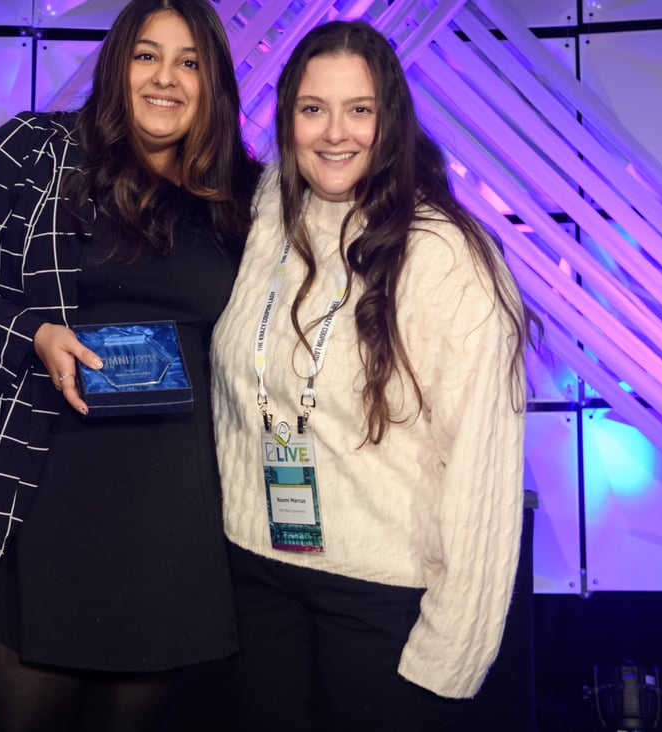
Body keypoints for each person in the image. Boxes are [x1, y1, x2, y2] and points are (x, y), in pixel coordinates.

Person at [0, 0, 261, 729]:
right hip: (34, 499)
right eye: (146, 55)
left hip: (174, 521)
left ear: (214, 81)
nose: (166, 78)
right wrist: (29, 334)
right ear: (116, 64)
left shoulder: (243, 199)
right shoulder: (31, 152)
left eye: (190, 61)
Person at [211, 19, 535, 731]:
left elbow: (483, 464)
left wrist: (454, 647)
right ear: (287, 116)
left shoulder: (446, 257)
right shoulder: (271, 213)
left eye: (360, 109)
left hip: (378, 596)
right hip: (255, 578)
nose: (335, 133)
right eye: (313, 109)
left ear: (391, 121)